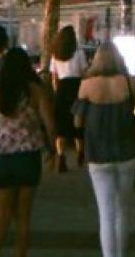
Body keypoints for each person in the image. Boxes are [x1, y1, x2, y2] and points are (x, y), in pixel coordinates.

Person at [0, 46, 55, 257]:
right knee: (23, 217)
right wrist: (53, 151)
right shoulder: (36, 92)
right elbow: (50, 125)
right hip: (28, 158)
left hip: (2, 158)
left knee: (0, 216)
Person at [74, 42, 135, 257]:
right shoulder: (130, 84)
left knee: (106, 213)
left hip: (98, 154)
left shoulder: (87, 85)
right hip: (127, 153)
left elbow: (78, 122)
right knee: (123, 211)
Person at [49, 25, 88, 171]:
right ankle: (80, 152)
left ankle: (61, 156)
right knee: (78, 123)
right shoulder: (79, 53)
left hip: (62, 88)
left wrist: (57, 91)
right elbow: (84, 72)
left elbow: (54, 77)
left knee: (62, 124)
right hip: (77, 87)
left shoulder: (56, 54)